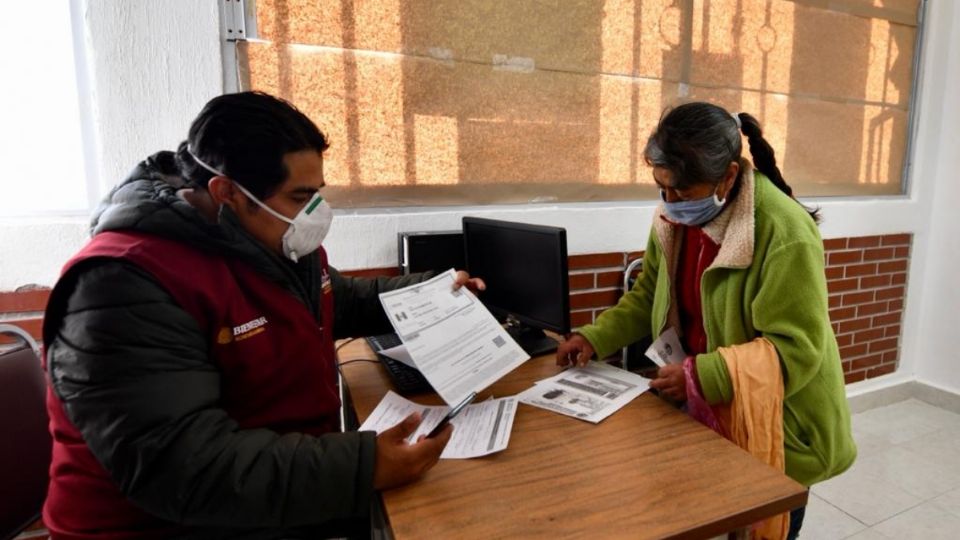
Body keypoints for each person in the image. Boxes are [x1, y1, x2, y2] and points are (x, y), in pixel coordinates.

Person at [42, 91, 484, 539]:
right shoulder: (122, 285)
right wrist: (364, 466)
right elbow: (185, 468)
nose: (316, 213)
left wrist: (436, 293)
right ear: (227, 192)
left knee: (465, 502)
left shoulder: (272, 238)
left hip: (272, 486)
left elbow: (339, 299)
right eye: (299, 196)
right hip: (168, 521)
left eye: (317, 195)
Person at [557, 102, 856, 539]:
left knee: (764, 524)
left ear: (729, 176)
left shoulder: (783, 231)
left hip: (779, 421)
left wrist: (701, 376)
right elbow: (647, 296)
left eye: (683, 191)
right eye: (663, 188)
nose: (670, 202)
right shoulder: (672, 219)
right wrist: (593, 337)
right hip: (708, 406)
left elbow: (798, 349)